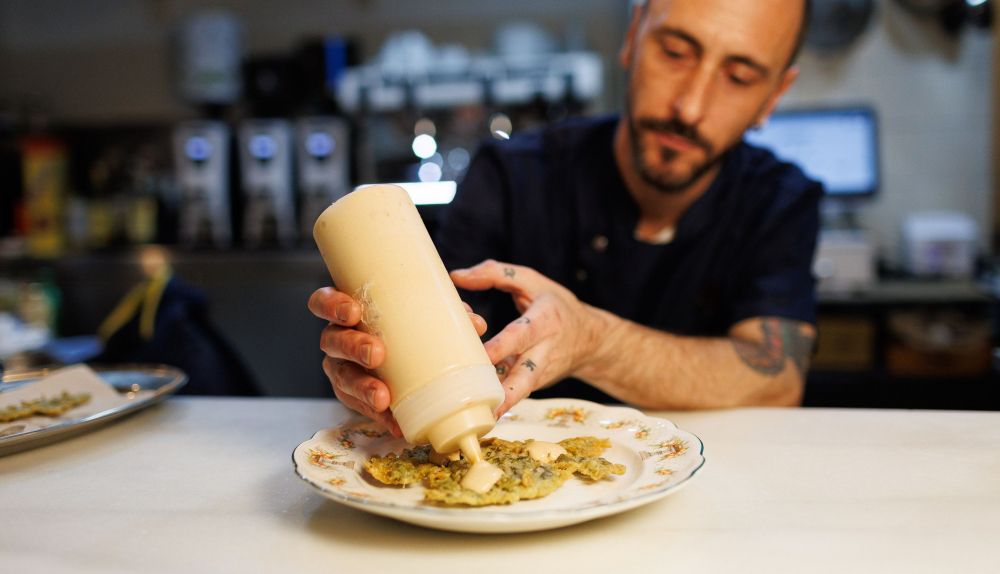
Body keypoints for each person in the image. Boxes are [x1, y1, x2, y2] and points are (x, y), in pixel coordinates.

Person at [309, 0, 820, 434]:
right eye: (675, 52)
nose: (689, 106)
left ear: (772, 96)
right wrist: (374, 360)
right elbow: (419, 337)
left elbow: (776, 379)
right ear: (633, 37)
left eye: (738, 76)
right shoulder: (511, 177)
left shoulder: (778, 200)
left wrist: (594, 341)